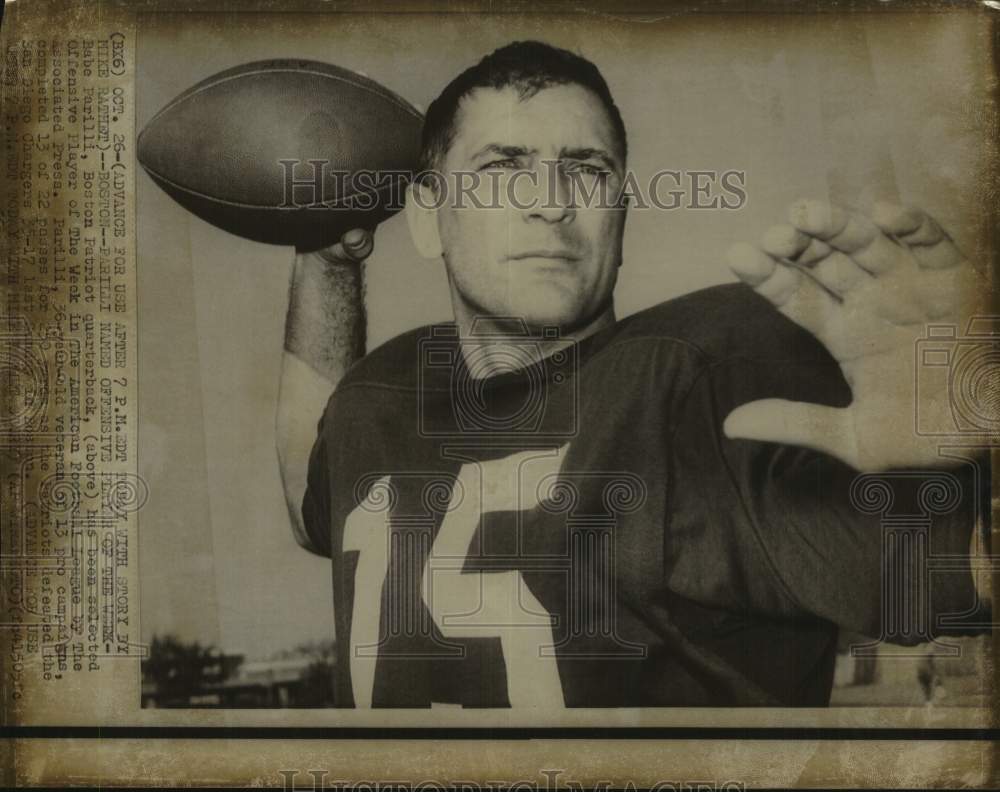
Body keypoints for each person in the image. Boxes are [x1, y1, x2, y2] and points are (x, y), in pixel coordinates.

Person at [275, 41, 992, 707]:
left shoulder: (703, 387)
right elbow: (314, 489)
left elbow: (965, 575)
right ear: (427, 217)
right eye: (502, 168)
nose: (551, 200)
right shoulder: (378, 393)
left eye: (587, 169)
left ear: (620, 210)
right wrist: (325, 258)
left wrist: (981, 438)